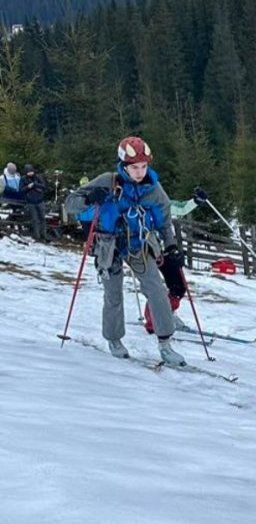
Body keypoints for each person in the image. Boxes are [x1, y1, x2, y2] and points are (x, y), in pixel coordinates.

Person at [64, 136, 186, 366]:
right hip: (108, 246)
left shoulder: (153, 189)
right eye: (134, 167)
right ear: (124, 165)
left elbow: (164, 219)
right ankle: (114, 340)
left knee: (157, 291)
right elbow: (70, 203)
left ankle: (165, 344)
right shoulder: (107, 181)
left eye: (143, 166)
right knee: (113, 295)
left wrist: (170, 246)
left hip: (139, 245)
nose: (140, 172)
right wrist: (90, 197)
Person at [20, 164, 49, 241]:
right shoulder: (23, 179)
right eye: (28, 172)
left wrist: (35, 184)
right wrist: (28, 187)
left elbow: (44, 186)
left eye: (31, 172)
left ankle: (44, 235)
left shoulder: (38, 177)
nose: (30, 173)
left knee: (42, 218)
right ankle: (37, 236)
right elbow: (21, 190)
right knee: (35, 219)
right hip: (30, 202)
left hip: (40, 200)